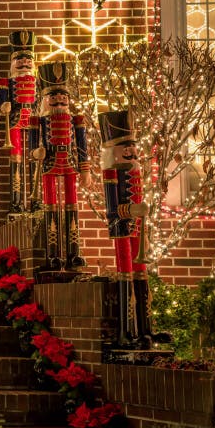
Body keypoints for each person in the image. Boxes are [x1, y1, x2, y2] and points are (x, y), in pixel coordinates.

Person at [99, 110, 163, 348]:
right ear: (112, 151)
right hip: (122, 227)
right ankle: (126, 331)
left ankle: (146, 329)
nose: (130, 150)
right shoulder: (110, 173)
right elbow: (112, 208)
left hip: (137, 228)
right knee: (126, 272)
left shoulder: (136, 170)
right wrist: (131, 211)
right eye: (124, 146)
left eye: (133, 146)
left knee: (141, 272)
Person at [30, 62, 89, 271]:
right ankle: (53, 254)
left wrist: (85, 169)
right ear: (45, 100)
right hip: (49, 164)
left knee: (72, 205)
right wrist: (38, 152)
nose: (59, 100)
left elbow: (82, 145)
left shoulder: (76, 120)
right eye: (53, 97)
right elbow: (32, 149)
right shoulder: (38, 120)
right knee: (51, 205)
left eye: (63, 97)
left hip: (69, 163)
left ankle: (74, 253)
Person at [0, 30, 37, 214]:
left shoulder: (38, 81)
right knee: (17, 159)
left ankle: (35, 200)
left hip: (34, 122)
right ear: (12, 62)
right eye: (19, 60)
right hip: (14, 120)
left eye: (28, 59)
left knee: (35, 158)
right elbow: (2, 102)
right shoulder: (6, 81)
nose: (24, 63)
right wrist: (3, 105)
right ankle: (16, 201)